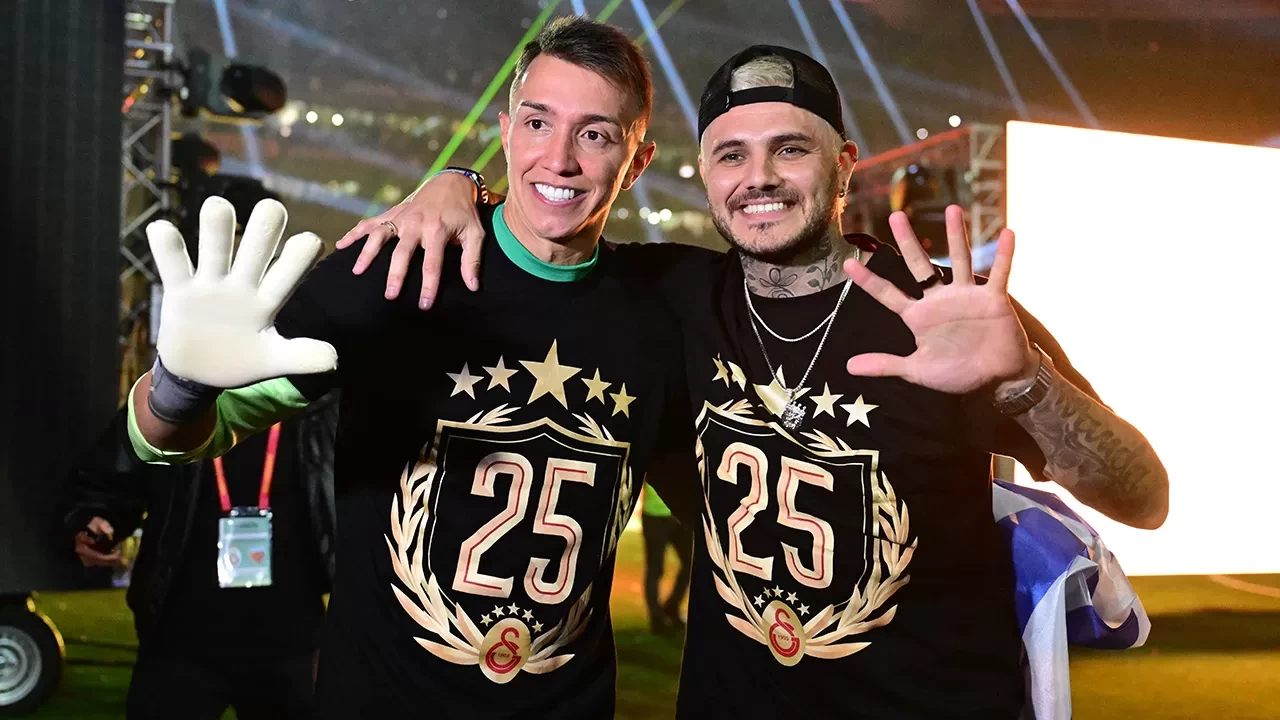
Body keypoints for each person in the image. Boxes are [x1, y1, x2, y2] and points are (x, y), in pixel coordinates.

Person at [345, 45, 1168, 719]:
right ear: (703, 171)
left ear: (844, 163)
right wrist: (458, 187)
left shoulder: (942, 310)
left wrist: (1025, 382)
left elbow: (1143, 498)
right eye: (731, 154)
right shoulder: (670, 297)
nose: (759, 177)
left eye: (791, 148)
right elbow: (547, 218)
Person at [124, 17, 697, 719]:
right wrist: (180, 385)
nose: (560, 158)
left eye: (597, 135)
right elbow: (177, 437)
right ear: (507, 132)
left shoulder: (660, 312)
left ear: (637, 161)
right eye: (538, 123)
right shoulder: (395, 270)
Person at [58, 395, 338, 720]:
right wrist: (91, 519)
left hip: (292, 639)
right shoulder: (171, 394)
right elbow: (108, 476)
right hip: (179, 637)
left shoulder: (320, 404)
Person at [639, 482, 691, 635]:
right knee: (655, 569)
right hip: (654, 515)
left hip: (679, 514)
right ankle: (656, 619)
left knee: (691, 562)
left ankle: (671, 607)